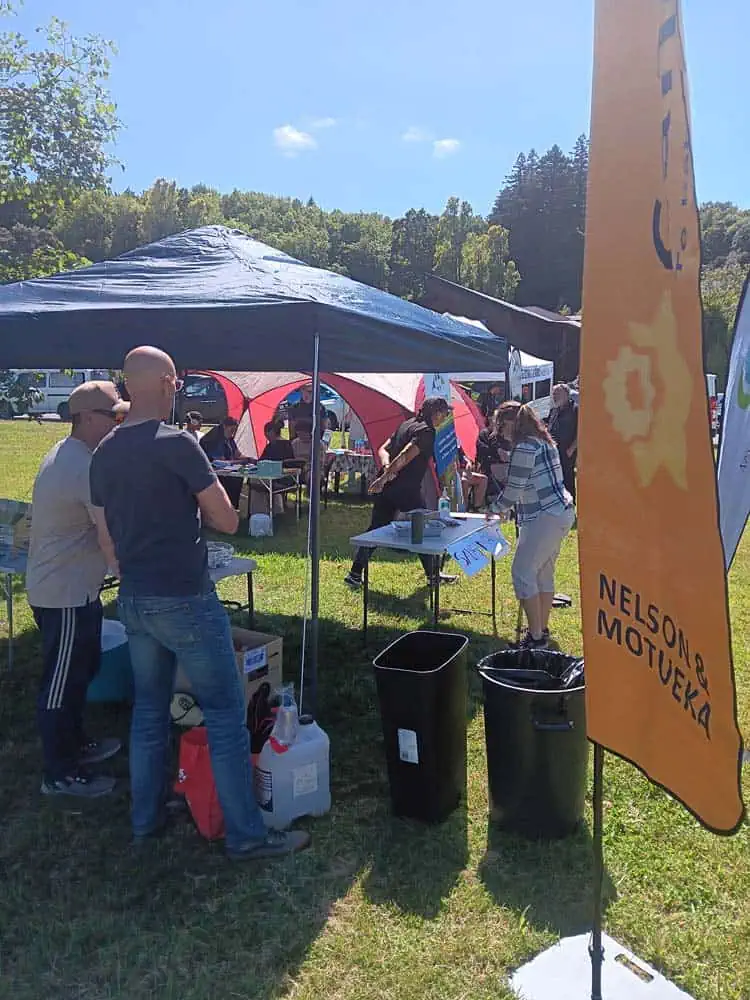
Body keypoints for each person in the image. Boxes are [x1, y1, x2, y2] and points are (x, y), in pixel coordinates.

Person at [89, 346, 310, 860]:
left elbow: (105, 537)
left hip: (135, 597)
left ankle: (145, 820)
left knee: (149, 712)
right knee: (226, 714)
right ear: (169, 384)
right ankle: (246, 836)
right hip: (184, 597)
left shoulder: (104, 452)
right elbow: (228, 520)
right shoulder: (178, 444)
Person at [26, 381, 129, 798]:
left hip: (78, 589)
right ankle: (59, 773)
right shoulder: (80, 465)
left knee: (81, 670)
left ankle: (76, 743)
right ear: (86, 418)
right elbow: (110, 530)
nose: (118, 424)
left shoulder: (76, 454)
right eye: (113, 417)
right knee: (60, 682)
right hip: (62, 593)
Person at [345, 397, 458, 588]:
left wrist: (386, 469)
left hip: (389, 487)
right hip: (406, 490)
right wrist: (385, 476)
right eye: (445, 413)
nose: (445, 417)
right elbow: (406, 455)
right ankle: (433, 576)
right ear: (436, 413)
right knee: (421, 529)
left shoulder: (406, 424)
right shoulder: (427, 431)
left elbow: (383, 449)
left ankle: (354, 574)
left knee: (375, 529)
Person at [488, 401, 574, 649]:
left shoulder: (524, 447)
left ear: (511, 423)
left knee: (522, 573)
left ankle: (536, 638)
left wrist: (493, 509)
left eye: (500, 426)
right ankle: (540, 629)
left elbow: (514, 491)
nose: (499, 432)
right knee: (543, 573)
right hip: (561, 513)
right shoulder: (544, 441)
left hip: (544, 516)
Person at [200, 416, 247, 508]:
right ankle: (227, 506)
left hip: (227, 472)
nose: (233, 432)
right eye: (231, 430)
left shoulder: (229, 439)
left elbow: (237, 454)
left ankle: (232, 506)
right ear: (225, 426)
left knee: (238, 478)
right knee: (233, 480)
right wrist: (240, 461)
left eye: (234, 430)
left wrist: (250, 459)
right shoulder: (214, 439)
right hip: (213, 473)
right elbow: (221, 462)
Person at [547, 383, 578, 503]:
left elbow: (581, 431)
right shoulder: (554, 410)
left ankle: (571, 503)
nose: (554, 396)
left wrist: (572, 448)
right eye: (554, 394)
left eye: (557, 394)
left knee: (567, 478)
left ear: (566, 394)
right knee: (556, 478)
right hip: (554, 450)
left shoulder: (575, 409)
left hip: (567, 450)